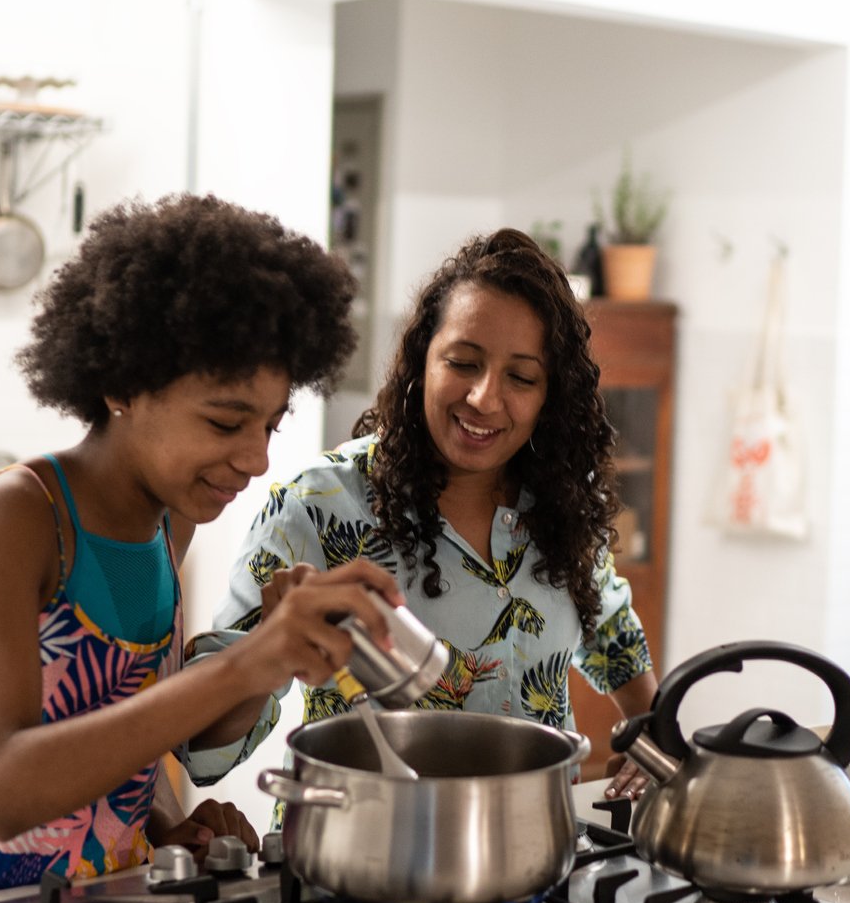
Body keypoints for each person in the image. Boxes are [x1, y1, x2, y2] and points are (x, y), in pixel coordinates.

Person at [0, 195, 402, 903]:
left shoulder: (165, 524)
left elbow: (129, 739)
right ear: (122, 383)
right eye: (225, 421)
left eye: (271, 426)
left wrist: (168, 821)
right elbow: (1, 790)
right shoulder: (21, 516)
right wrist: (246, 661)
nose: (253, 458)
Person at [193, 229, 658, 796]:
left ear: (550, 396)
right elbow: (201, 752)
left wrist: (651, 738)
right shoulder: (319, 508)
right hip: (364, 855)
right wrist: (270, 647)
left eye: (521, 377)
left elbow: (609, 627)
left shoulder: (559, 503)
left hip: (535, 852)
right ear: (421, 363)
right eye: (463, 362)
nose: (485, 398)